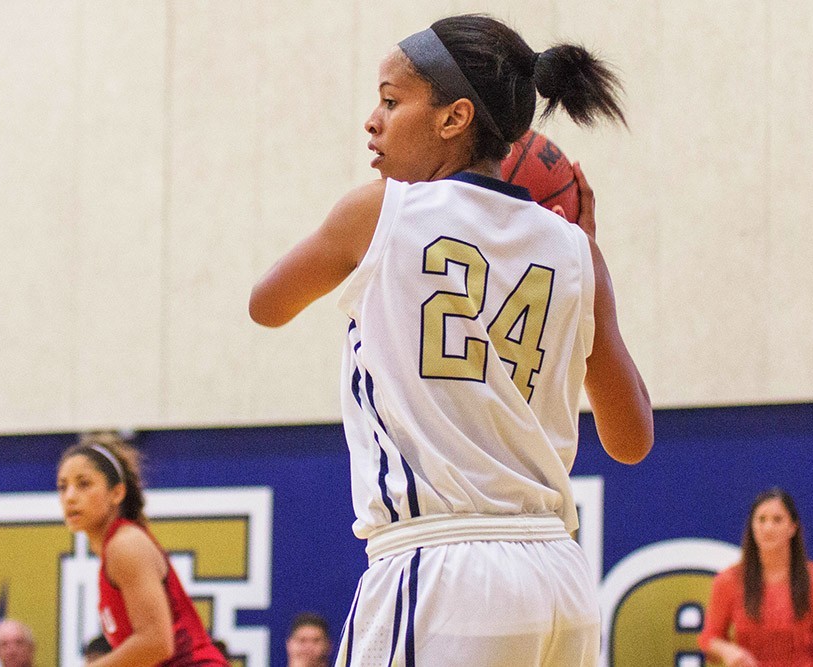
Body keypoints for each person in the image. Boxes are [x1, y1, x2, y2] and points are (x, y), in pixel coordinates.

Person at [250, 13, 652, 666]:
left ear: (454, 117)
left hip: (441, 568)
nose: (372, 121)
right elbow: (630, 441)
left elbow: (265, 304)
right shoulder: (577, 252)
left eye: (389, 100)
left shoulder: (379, 210)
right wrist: (586, 264)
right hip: (560, 577)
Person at [56, 432, 228, 666]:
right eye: (63, 487)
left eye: (84, 484)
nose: (70, 497)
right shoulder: (113, 550)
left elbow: (156, 643)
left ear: (117, 493)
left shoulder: (125, 545)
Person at [698, 488, 813, 667]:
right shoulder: (729, 580)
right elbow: (708, 638)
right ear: (752, 526)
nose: (768, 528)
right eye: (761, 520)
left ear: (793, 527)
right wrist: (728, 650)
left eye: (777, 520)